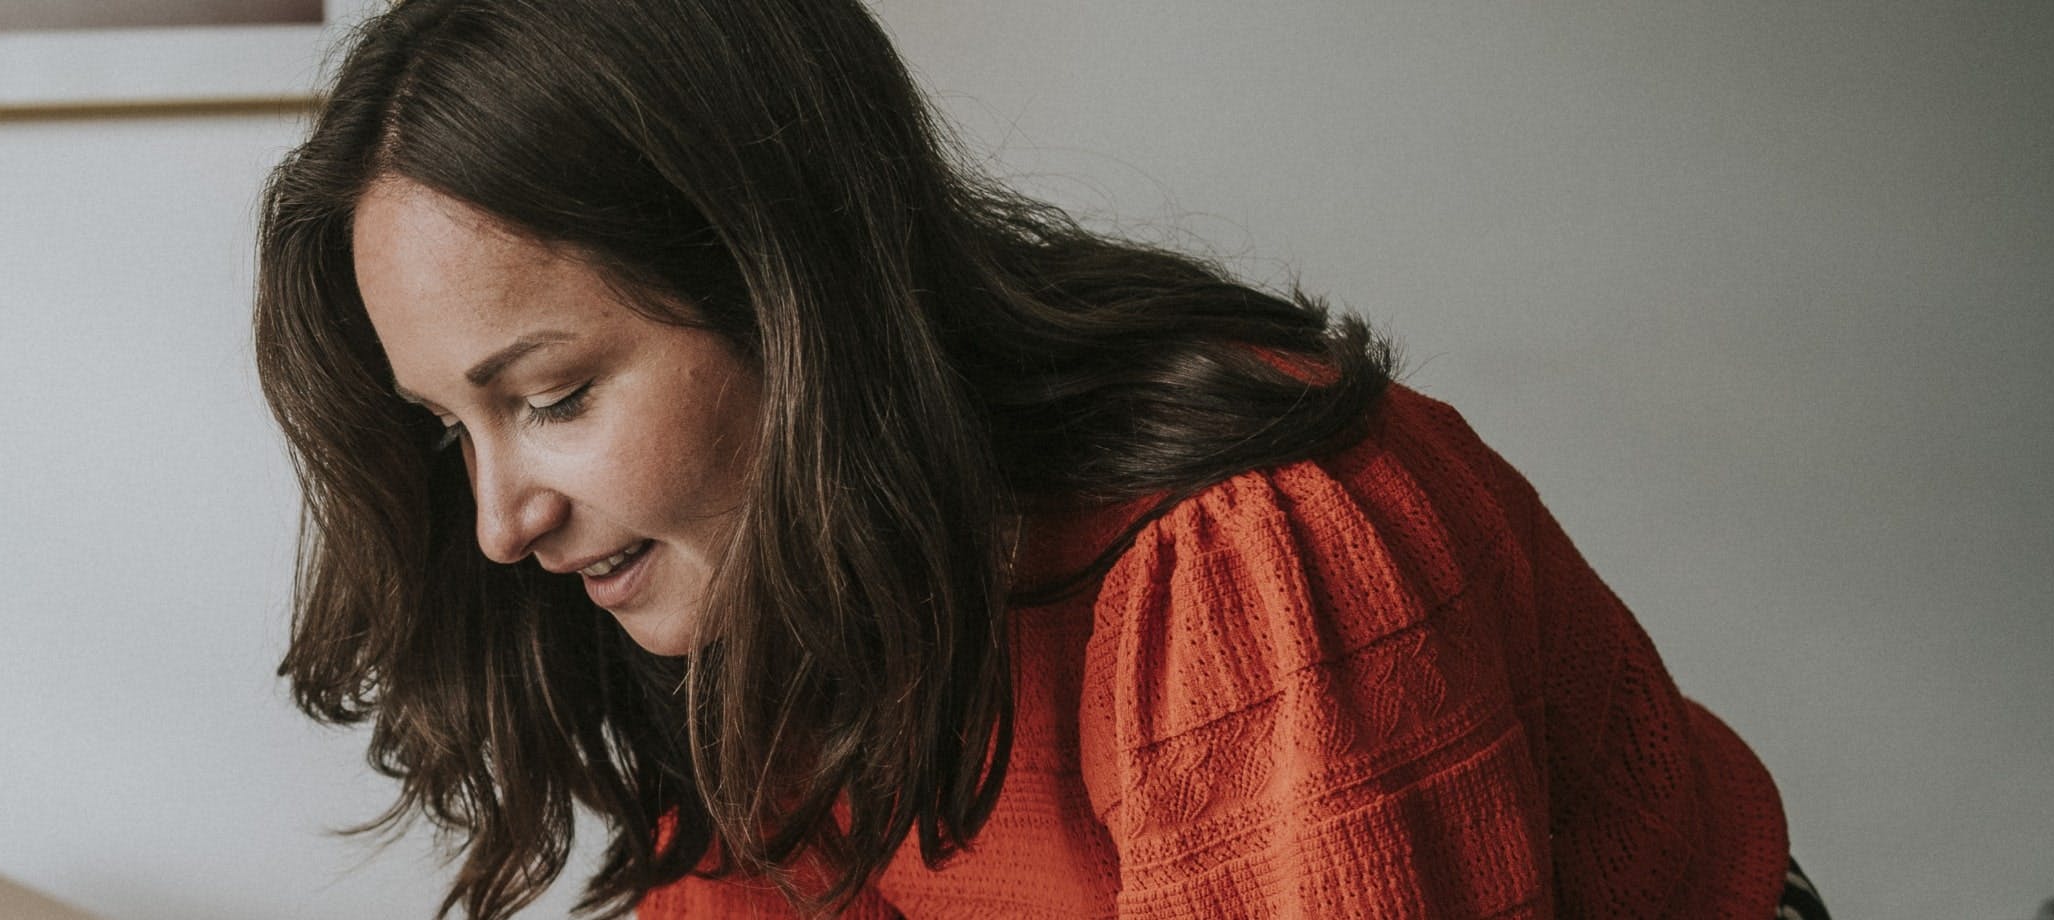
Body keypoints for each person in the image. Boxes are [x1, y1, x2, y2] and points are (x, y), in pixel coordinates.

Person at [248, 1, 1814, 918]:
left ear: (797, 298)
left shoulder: (1250, 551)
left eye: (557, 393)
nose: (500, 523)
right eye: (454, 427)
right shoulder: (765, 567)